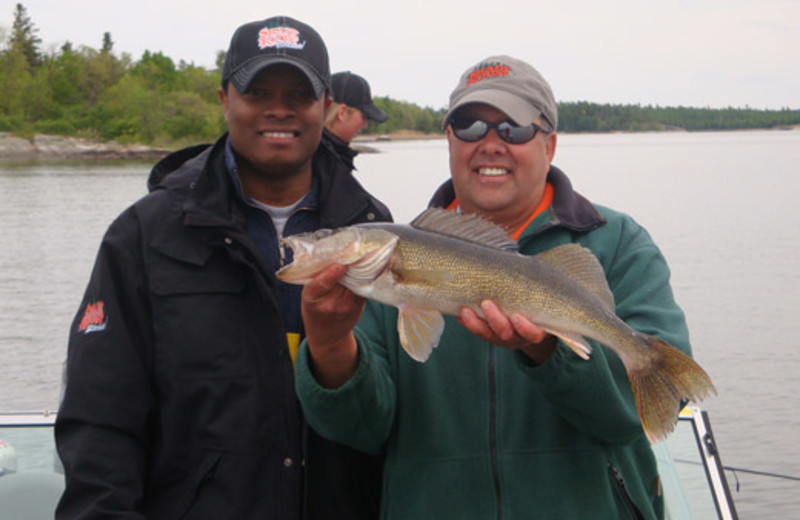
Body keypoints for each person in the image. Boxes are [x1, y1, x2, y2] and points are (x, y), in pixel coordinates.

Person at [294, 55, 692, 519]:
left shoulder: (616, 243)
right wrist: (327, 343)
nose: (490, 144)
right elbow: (359, 429)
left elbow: (631, 419)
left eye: (515, 129)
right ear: (449, 140)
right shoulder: (393, 262)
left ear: (551, 145)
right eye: (469, 126)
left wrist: (549, 352)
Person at [55, 15, 390, 520]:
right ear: (224, 100)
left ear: (325, 107)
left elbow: (391, 418)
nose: (279, 110)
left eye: (299, 94)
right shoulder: (143, 236)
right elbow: (99, 423)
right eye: (258, 91)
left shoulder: (375, 232)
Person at [322, 71, 388, 169]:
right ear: (342, 113)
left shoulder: (307, 153)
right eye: (364, 117)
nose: (365, 126)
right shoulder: (324, 163)